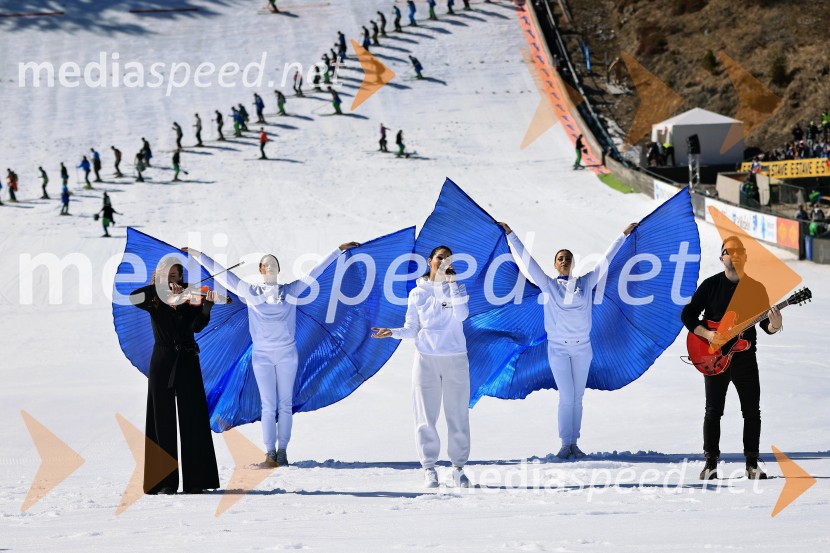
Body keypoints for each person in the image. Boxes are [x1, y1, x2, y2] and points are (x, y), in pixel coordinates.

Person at [186, 241, 359, 467]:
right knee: (268, 405)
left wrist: (338, 250)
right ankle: (270, 453)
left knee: (284, 404)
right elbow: (222, 276)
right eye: (266, 265)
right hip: (263, 355)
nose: (270, 267)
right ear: (260, 270)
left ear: (278, 269)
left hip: (287, 354)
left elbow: (317, 271)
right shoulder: (250, 291)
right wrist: (199, 254)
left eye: (273, 264)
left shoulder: (290, 289)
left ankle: (283, 452)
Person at [498, 221, 638, 460]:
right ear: (555, 264)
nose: (564, 261)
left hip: (583, 348)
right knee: (566, 395)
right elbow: (528, 262)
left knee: (578, 396)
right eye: (560, 258)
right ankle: (565, 443)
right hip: (558, 349)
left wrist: (623, 235)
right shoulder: (548, 285)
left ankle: (575, 443)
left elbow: (606, 260)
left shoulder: (585, 282)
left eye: (567, 259)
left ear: (572, 264)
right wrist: (510, 235)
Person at [681, 236, 782, 480]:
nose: (734, 255)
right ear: (721, 257)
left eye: (739, 252)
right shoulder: (710, 286)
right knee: (713, 411)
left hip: (745, 358)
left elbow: (766, 326)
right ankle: (711, 463)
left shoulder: (755, 288)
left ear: (745, 257)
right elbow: (688, 315)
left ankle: (752, 464)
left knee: (752, 411)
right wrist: (708, 334)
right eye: (729, 251)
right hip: (713, 358)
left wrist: (775, 325)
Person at [371, 246, 472, 488]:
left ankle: (458, 468)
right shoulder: (417, 293)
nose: (444, 261)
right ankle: (429, 469)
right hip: (426, 359)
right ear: (430, 261)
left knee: (457, 414)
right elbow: (412, 328)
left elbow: (462, 316)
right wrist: (393, 332)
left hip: (455, 358)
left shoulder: (458, 288)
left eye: (448, 259)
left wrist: (453, 285)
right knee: (425, 416)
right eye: (440, 258)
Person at [130, 258, 221, 494]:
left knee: (194, 417)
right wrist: (162, 290)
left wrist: (206, 307)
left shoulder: (190, 296)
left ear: (181, 276)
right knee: (162, 419)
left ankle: (198, 481)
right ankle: (164, 483)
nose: (173, 280)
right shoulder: (152, 299)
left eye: (176, 276)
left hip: (188, 359)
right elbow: (133, 297)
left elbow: (197, 326)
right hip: (162, 360)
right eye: (167, 276)